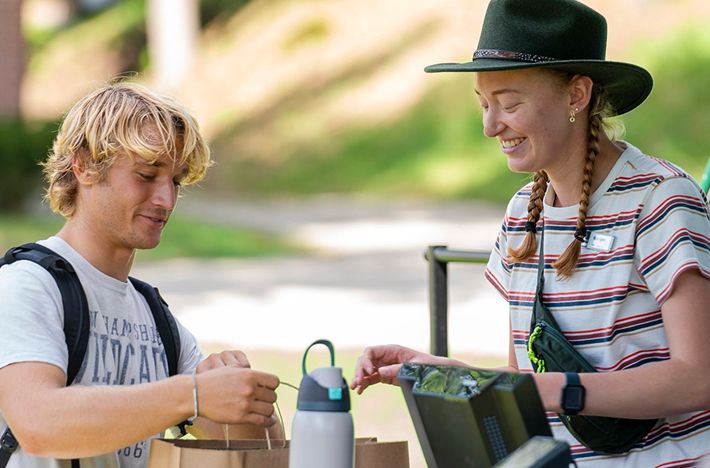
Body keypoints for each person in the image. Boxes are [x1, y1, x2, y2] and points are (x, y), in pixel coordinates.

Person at [350, 0, 710, 465]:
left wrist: (559, 389)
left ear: (576, 95)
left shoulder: (659, 198)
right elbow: (527, 377)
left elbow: (698, 376)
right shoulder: (523, 212)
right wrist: (446, 374)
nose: (490, 126)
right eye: (484, 104)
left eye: (510, 103)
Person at [0, 81, 281, 467]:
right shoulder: (26, 285)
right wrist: (192, 395)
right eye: (147, 176)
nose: (166, 199)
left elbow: (262, 452)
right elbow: (39, 424)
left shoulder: (156, 318)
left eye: (176, 181)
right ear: (84, 166)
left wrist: (241, 395)